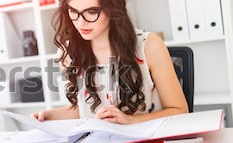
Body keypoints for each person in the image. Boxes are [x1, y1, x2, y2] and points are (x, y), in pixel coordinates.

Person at [31, 0, 188, 124]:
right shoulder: (68, 53)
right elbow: (86, 108)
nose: (81, 23)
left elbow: (179, 110)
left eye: (91, 12)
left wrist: (131, 120)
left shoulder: (149, 45)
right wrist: (50, 115)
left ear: (112, 9)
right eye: (73, 12)